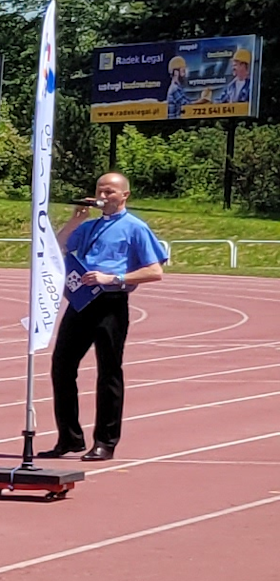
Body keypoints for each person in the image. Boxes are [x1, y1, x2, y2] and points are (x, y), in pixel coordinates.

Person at [53, 169, 169, 459]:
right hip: (81, 301)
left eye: (109, 192)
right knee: (61, 366)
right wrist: (75, 219)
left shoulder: (135, 228)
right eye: (100, 191)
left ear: (124, 195)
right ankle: (69, 438)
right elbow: (58, 246)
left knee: (108, 371)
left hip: (111, 302)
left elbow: (155, 271)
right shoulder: (89, 226)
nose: (103, 196)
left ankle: (105, 441)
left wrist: (114, 278)